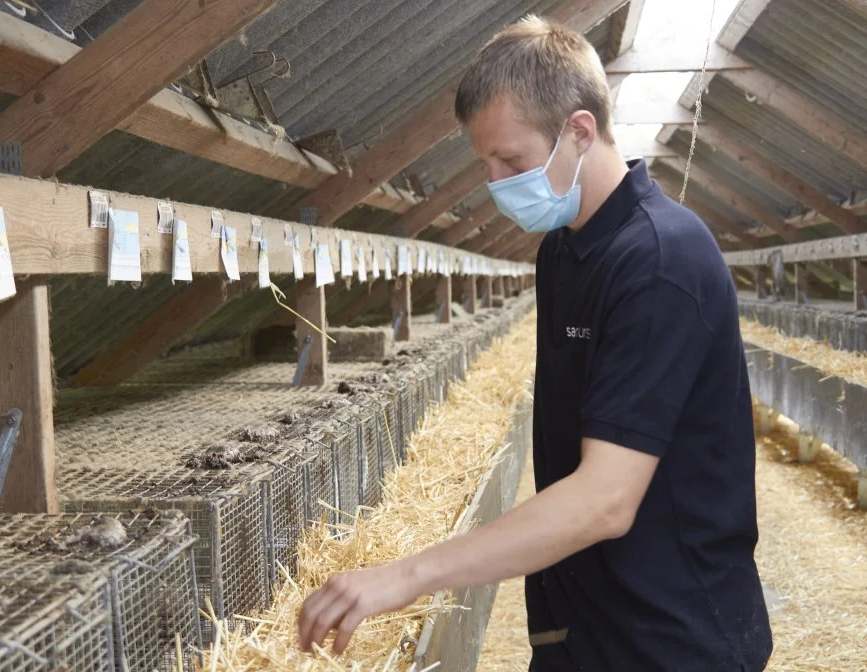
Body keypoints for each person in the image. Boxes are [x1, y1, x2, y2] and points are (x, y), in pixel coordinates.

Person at [298, 14, 773, 671]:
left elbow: (606, 499)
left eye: (511, 160)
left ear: (579, 130)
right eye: (487, 162)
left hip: (671, 636)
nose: (496, 183)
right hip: (582, 623)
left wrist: (405, 576)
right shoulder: (564, 251)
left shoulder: (662, 260)